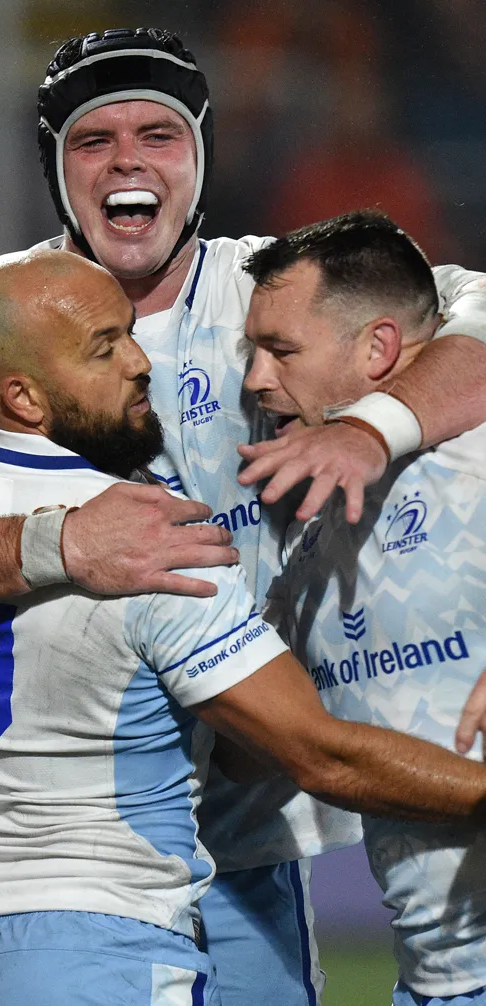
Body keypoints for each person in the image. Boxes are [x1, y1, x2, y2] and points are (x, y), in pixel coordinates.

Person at [0, 26, 486, 1006]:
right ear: (53, 164)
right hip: (30, 858)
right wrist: (57, 546)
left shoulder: (282, 292)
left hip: (232, 858)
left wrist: (370, 430)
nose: (128, 159)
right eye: (94, 139)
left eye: (158, 133)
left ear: (201, 157)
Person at [242, 209, 486, 1006]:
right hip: (433, 980)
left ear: (379, 347)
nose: (255, 379)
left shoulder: (475, 453)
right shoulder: (300, 533)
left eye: (280, 351)